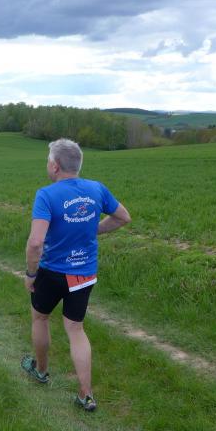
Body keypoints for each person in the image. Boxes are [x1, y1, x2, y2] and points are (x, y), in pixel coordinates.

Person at [22, 138, 131, 411]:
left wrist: (31, 274)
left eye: (48, 161)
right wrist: (95, 229)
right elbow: (123, 217)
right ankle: (86, 395)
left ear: (55, 166)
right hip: (84, 273)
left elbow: (35, 242)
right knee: (75, 329)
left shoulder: (46, 195)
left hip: (52, 272)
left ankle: (41, 371)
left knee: (40, 317)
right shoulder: (97, 189)